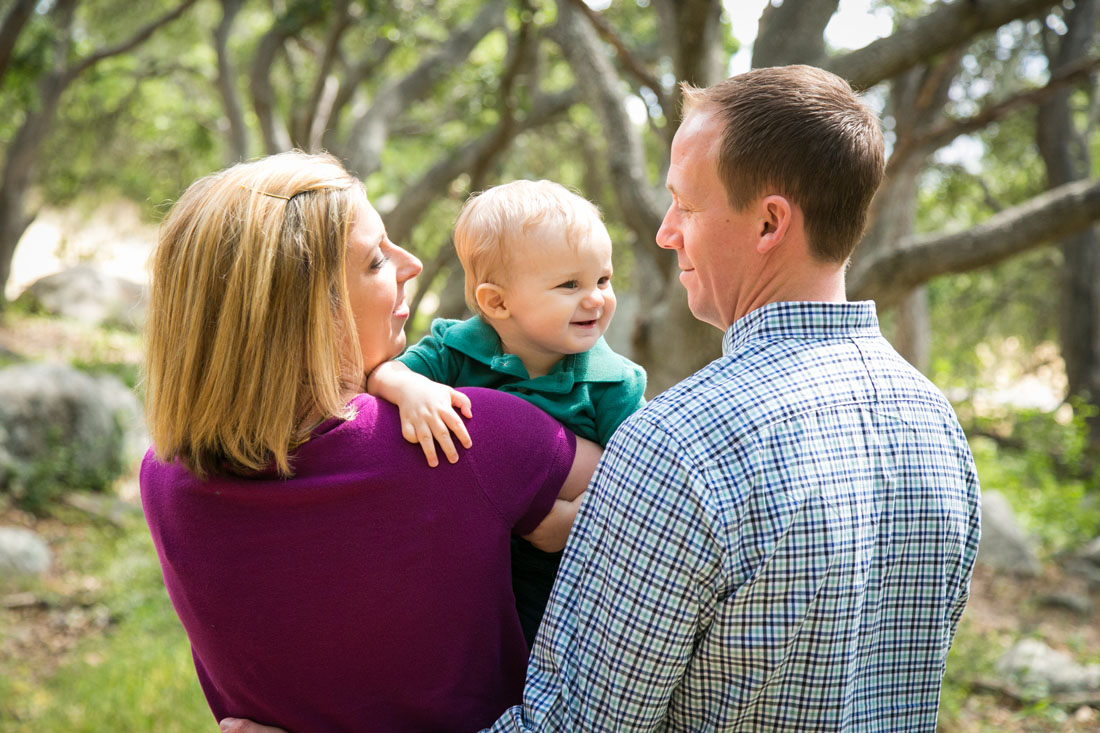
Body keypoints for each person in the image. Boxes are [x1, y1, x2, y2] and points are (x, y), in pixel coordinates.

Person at [220, 64, 981, 733]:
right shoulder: (937, 429)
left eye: (685, 203)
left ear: (770, 223)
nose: (664, 232)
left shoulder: (683, 445)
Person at [140, 150, 602, 732]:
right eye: (377, 260)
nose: (409, 264)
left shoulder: (163, 480)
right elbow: (644, 488)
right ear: (313, 309)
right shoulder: (463, 436)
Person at [366, 179, 646, 646]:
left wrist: (567, 520)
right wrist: (409, 387)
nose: (596, 298)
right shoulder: (453, 351)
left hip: (559, 583)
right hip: (458, 561)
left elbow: (638, 481)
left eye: (602, 279)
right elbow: (380, 375)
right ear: (496, 302)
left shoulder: (613, 382)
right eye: (569, 285)